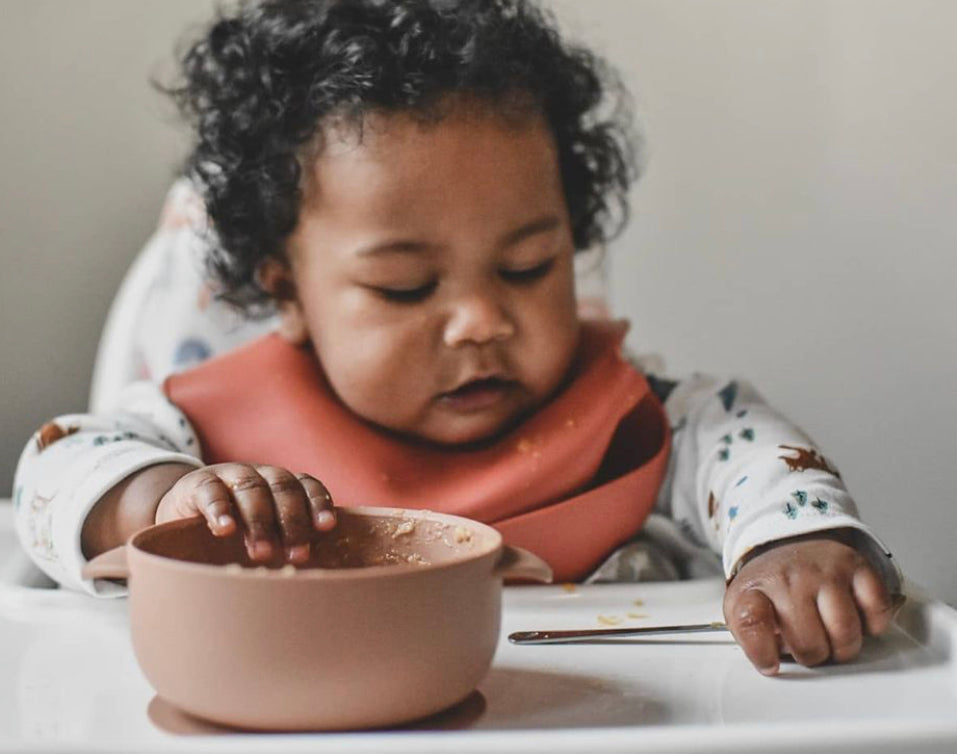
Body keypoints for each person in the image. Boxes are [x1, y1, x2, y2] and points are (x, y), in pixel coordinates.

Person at [13, 0, 900, 677]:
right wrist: (166, 498)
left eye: (525, 267)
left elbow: (743, 444)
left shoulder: (637, 426)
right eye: (404, 286)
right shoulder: (211, 430)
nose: (482, 320)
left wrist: (789, 546)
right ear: (286, 292)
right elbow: (55, 464)